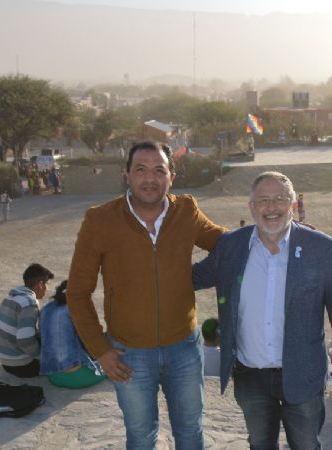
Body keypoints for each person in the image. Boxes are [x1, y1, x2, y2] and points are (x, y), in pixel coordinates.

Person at [67, 141, 224, 449]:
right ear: (127, 174)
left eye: (158, 170)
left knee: (190, 432)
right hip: (129, 353)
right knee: (140, 437)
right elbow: (78, 292)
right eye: (140, 169)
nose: (149, 178)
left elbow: (225, 244)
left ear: (171, 176)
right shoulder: (100, 220)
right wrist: (100, 350)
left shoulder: (187, 211)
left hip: (185, 350)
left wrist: (277, 233)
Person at [192, 171, 332, 450]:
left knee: (306, 445)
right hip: (250, 375)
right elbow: (189, 279)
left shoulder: (323, 248)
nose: (271, 208)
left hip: (304, 373)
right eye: (263, 200)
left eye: (280, 199)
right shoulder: (231, 246)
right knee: (260, 444)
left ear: (293, 205)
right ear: (251, 207)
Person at [39, 280, 106, 389]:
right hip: (75, 377)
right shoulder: (76, 312)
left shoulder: (46, 309)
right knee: (113, 362)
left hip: (52, 375)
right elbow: (91, 343)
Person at [0, 263, 54, 378]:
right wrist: (39, 356)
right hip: (21, 366)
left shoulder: (10, 297)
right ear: (41, 285)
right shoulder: (29, 303)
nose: (47, 289)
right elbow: (25, 340)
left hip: (5, 361)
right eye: (47, 285)